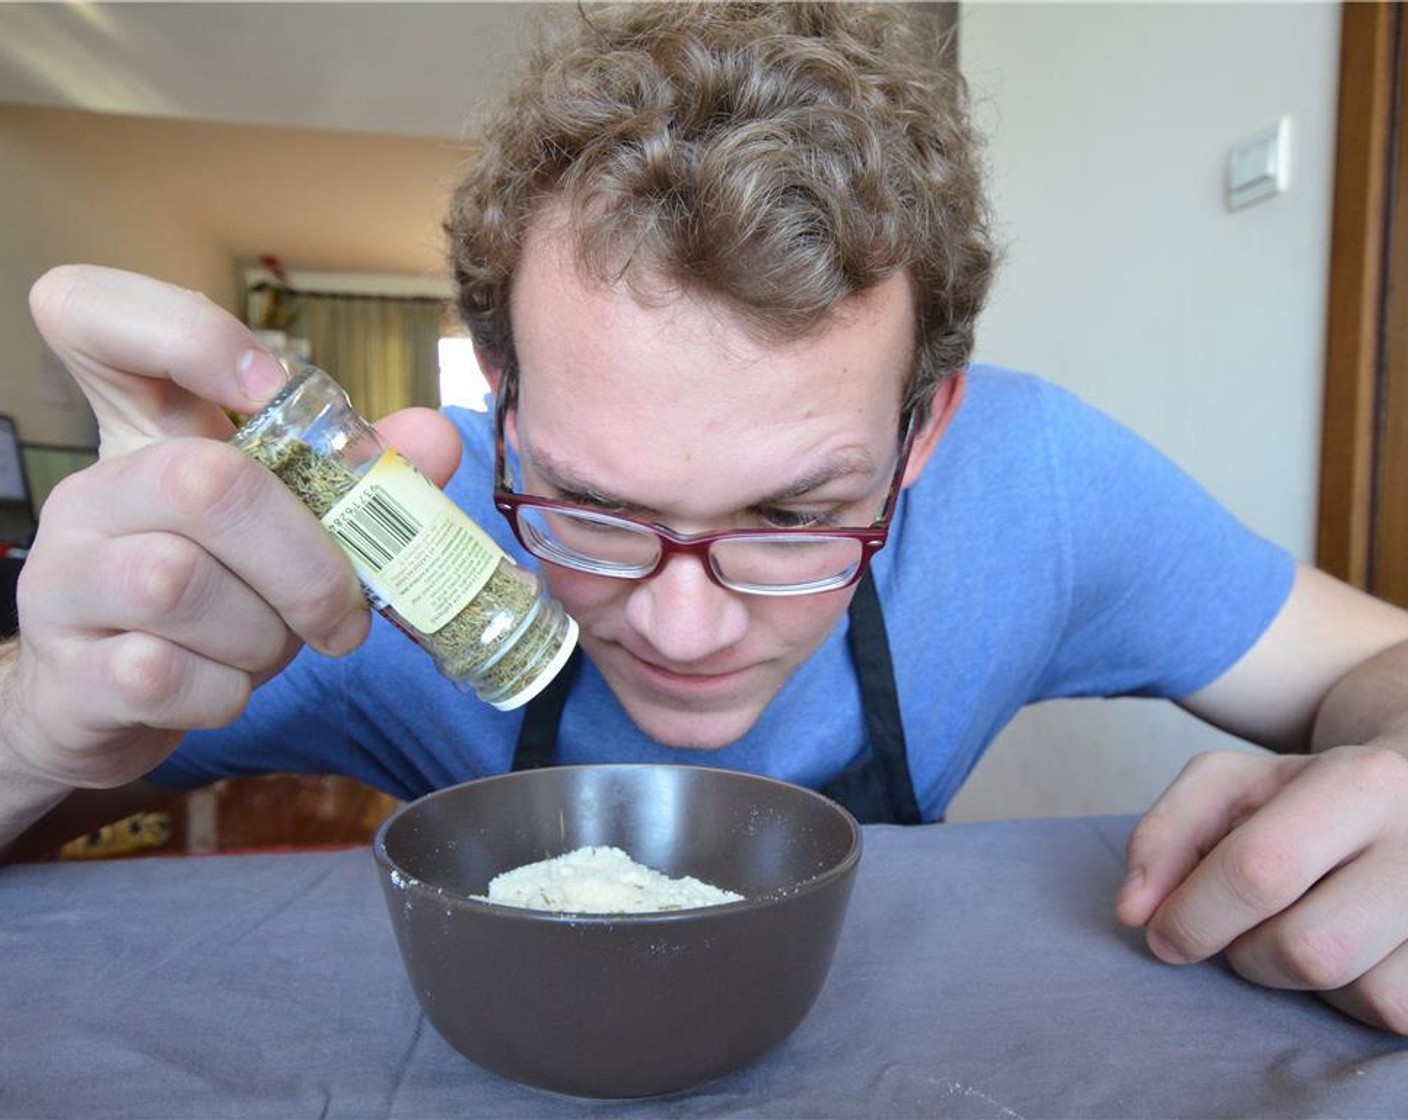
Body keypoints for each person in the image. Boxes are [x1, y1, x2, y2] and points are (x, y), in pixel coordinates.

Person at [4, 1, 1408, 1035]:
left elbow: (1368, 664)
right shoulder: (373, 554)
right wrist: (29, 726)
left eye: (796, 513)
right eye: (589, 507)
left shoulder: (1037, 487)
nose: (682, 624)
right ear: (500, 393)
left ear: (926, 431)